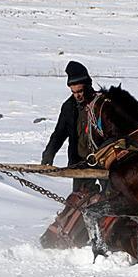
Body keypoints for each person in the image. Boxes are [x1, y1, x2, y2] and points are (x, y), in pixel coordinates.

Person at [41, 61, 99, 192]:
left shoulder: (100, 104)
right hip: (80, 161)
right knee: (79, 197)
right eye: (73, 92)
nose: (77, 95)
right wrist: (49, 154)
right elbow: (59, 133)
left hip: (102, 160)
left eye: (80, 91)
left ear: (88, 86)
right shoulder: (69, 107)